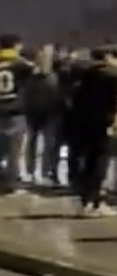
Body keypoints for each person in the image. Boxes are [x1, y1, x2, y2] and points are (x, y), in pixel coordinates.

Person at [70, 47, 117, 216]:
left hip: (83, 121)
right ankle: (93, 202)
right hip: (101, 121)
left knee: (89, 162)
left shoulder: (82, 72)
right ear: (106, 57)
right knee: (99, 162)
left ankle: (87, 201)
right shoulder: (104, 73)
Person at [24, 45, 63, 186]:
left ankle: (45, 172)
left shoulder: (56, 74)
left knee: (48, 144)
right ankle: (31, 171)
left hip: (49, 114)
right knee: (34, 142)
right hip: (35, 113)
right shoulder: (32, 75)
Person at [0, 35, 33, 193]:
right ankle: (11, 183)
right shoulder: (20, 64)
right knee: (15, 151)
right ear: (15, 46)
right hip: (14, 111)